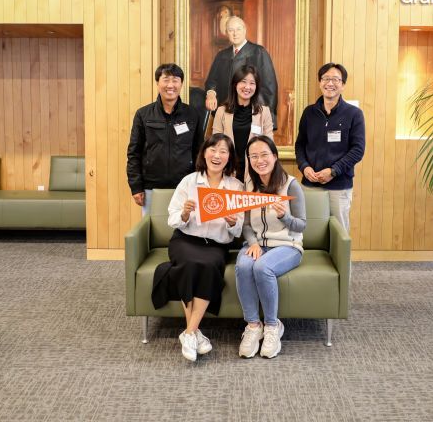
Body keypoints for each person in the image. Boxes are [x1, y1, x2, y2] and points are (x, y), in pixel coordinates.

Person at [151, 134, 244, 362]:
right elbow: (172, 218)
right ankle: (193, 333)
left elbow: (239, 230)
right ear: (204, 153)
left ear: (229, 157)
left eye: (224, 151)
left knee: (207, 264)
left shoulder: (236, 186)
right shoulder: (189, 182)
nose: (217, 155)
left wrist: (233, 222)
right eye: (213, 149)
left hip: (215, 246)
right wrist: (184, 213)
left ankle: (190, 332)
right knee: (191, 262)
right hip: (185, 239)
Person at [235, 136, 306, 359]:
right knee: (244, 265)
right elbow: (246, 225)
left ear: (275, 156)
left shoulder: (291, 184)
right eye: (253, 156)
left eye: (264, 154)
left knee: (261, 268)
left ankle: (273, 327)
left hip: (288, 245)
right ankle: (253, 326)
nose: (259, 160)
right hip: (258, 244)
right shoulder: (248, 185)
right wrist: (253, 243)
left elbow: (302, 225)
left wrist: (284, 216)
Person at [295, 63, 365, 231]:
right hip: (310, 184)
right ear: (320, 82)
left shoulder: (354, 114)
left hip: (339, 186)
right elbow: (300, 145)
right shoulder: (309, 113)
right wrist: (304, 168)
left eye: (335, 79)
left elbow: (357, 150)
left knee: (339, 232)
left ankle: (342, 259)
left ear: (343, 85)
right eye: (326, 78)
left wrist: (333, 171)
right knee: (310, 231)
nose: (330, 83)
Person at [127, 63, 203, 216]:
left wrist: (199, 184)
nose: (170, 85)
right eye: (166, 80)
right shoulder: (143, 114)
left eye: (175, 80)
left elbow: (199, 151)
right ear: (157, 83)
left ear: (181, 84)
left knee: (183, 232)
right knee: (152, 231)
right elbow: (134, 153)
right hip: (151, 188)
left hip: (185, 186)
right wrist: (136, 187)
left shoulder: (192, 114)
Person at [204, 16, 279, 129]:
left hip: (253, 114)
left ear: (244, 30)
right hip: (226, 113)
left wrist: (267, 117)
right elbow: (212, 80)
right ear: (226, 33)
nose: (235, 33)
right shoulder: (222, 55)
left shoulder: (259, 52)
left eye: (238, 29)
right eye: (231, 30)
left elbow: (270, 87)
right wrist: (211, 93)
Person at [212, 64, 274, 181]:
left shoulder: (264, 112)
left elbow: (269, 145)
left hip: (255, 171)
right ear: (235, 84)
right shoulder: (221, 111)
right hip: (228, 170)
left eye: (252, 83)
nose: (247, 87)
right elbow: (216, 144)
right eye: (243, 82)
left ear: (256, 87)